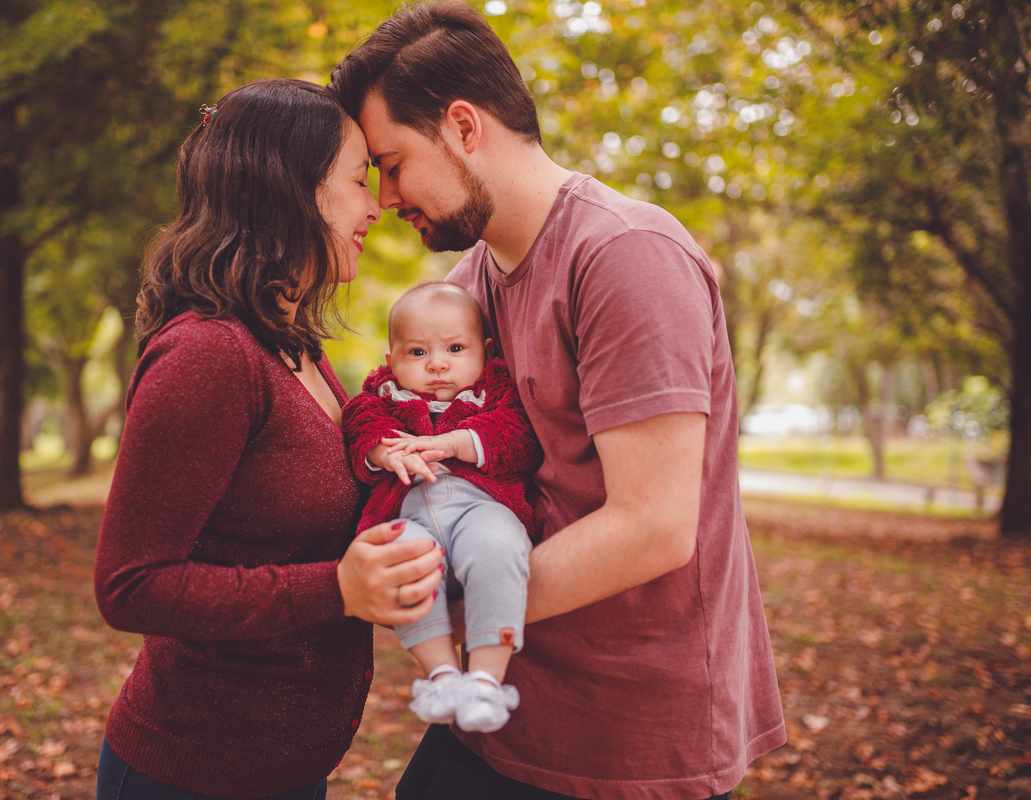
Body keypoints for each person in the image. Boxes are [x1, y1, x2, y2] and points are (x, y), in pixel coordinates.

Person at [329, 3, 786, 800]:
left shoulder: (625, 257)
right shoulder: (464, 294)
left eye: (393, 162)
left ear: (464, 127)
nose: (387, 194)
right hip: (505, 708)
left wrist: (445, 613)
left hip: (631, 735)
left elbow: (653, 526)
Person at [91, 78, 444, 800]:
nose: (375, 207)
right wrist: (338, 588)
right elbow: (130, 586)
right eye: (355, 180)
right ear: (292, 189)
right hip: (194, 774)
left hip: (284, 770)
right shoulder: (209, 354)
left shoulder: (293, 348)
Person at [341, 282, 540, 733]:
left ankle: (488, 677)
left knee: (498, 548)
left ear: (484, 351)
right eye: (417, 353)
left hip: (481, 506)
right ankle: (442, 674)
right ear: (391, 358)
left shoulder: (494, 392)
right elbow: (359, 421)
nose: (437, 364)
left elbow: (519, 437)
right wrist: (383, 452)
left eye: (454, 348)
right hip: (409, 514)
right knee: (403, 562)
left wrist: (453, 442)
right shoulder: (386, 396)